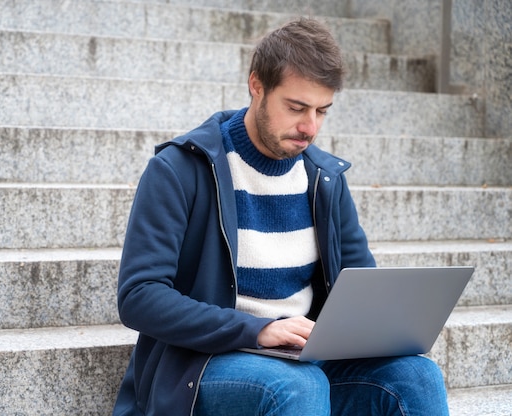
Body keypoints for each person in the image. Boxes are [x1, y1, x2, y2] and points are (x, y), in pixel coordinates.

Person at [113, 18, 449, 416]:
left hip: (302, 358)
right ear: (257, 86)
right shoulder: (180, 169)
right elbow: (139, 296)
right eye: (296, 107)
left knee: (416, 376)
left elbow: (360, 287)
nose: (310, 127)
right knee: (296, 387)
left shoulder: (323, 178)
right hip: (204, 363)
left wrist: (383, 329)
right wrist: (259, 330)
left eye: (322, 110)